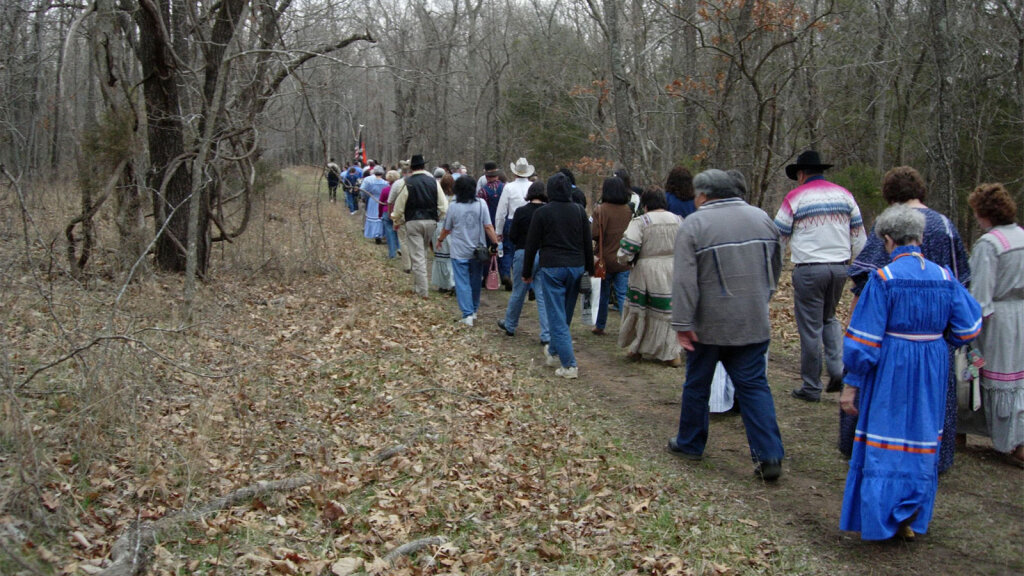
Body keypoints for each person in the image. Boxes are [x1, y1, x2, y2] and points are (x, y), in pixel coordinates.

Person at [839, 205, 981, 541]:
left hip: (892, 365)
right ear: (918, 238)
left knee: (885, 435)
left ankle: (881, 518)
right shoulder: (945, 277)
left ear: (888, 240)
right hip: (932, 364)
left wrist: (851, 383)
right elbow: (970, 325)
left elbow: (864, 340)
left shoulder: (884, 278)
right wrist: (937, 338)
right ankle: (910, 516)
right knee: (920, 435)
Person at [842, 166, 971, 473]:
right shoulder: (946, 226)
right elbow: (962, 282)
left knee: (888, 402)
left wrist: (853, 324)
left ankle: (877, 457)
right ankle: (931, 458)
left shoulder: (889, 226)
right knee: (930, 404)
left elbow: (865, 280)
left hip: (891, 337)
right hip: (934, 339)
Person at [668, 169, 785, 481]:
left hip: (708, 323)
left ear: (704, 194)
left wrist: (682, 321)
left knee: (697, 384)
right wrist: (762, 298)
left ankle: (690, 442)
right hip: (752, 318)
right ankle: (769, 454)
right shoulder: (762, 218)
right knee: (754, 386)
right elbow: (776, 266)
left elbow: (683, 279)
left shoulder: (695, 223)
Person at [774, 150, 866, 402]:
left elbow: (778, 238)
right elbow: (859, 237)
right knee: (829, 318)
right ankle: (837, 369)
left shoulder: (795, 197)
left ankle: (811, 385)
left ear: (801, 174)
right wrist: (860, 272)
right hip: (839, 268)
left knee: (810, 328)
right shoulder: (845, 195)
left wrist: (773, 270)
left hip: (809, 269)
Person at [967, 183, 1024, 467]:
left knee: (998, 379)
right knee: (1018, 380)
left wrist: (971, 327)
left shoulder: (990, 245)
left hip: (999, 320)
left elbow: (981, 296)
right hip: (1020, 315)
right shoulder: (1021, 236)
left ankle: (1010, 441)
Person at [523, 173, 594, 380]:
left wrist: (526, 272)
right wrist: (589, 269)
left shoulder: (543, 213)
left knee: (556, 315)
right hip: (576, 267)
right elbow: (586, 242)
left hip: (552, 267)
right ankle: (554, 352)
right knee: (564, 314)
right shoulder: (579, 211)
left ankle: (569, 365)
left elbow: (531, 245)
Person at [616, 188, 681, 365]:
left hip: (646, 269)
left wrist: (625, 260)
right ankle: (671, 353)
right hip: (673, 268)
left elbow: (629, 247)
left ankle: (637, 348)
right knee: (666, 311)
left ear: (645, 205)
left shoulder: (641, 221)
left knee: (641, 310)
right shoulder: (678, 220)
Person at [437, 176, 500, 325]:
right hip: (478, 251)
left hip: (459, 250)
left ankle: (467, 314)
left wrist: (440, 240)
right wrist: (496, 243)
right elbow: (488, 226)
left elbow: (447, 228)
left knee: (462, 282)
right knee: (476, 281)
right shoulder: (481, 204)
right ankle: (474, 309)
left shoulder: (453, 206)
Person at [391, 154, 449, 298]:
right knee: (421, 253)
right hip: (431, 222)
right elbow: (443, 206)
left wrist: (396, 220)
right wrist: (439, 218)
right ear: (424, 166)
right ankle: (417, 287)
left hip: (413, 222)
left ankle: (423, 291)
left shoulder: (408, 182)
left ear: (411, 167)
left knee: (417, 257)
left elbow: (399, 206)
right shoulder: (433, 182)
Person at [591, 177, 633, 336]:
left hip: (604, 260)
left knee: (603, 294)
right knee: (623, 295)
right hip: (624, 259)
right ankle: (627, 329)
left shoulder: (600, 210)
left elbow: (594, 233)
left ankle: (600, 325)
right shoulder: (628, 210)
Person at [496, 159, 534, 289]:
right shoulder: (532, 186)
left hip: (512, 220)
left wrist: (498, 231)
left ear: (515, 172)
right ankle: (529, 281)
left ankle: (506, 274)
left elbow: (501, 211)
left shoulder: (509, 187)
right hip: (530, 222)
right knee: (529, 251)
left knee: (508, 250)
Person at [431, 172, 456, 293]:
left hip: (440, 226)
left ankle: (443, 284)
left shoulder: (438, 197)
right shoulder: (457, 198)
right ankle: (452, 282)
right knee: (451, 257)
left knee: (441, 257)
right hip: (453, 229)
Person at [360, 165, 387, 242]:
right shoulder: (385, 183)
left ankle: (375, 233)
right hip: (382, 201)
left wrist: (364, 197)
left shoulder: (369, 182)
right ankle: (380, 234)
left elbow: (362, 190)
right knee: (380, 218)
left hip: (372, 200)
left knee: (373, 216)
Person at [379, 170, 401, 259]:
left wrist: (380, 214)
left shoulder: (385, 190)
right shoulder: (401, 189)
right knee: (399, 232)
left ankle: (392, 254)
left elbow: (381, 203)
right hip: (398, 212)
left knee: (390, 233)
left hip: (386, 212)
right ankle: (400, 248)